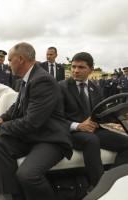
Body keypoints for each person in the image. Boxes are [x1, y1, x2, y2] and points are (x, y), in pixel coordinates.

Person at [0, 42, 73, 200]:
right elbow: (17, 105)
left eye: (10, 59)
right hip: (34, 135)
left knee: (27, 175)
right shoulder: (27, 79)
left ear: (20, 59)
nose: (8, 63)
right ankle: (15, 196)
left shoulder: (42, 80)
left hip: (50, 138)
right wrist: (3, 117)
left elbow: (32, 122)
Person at [59, 52, 128, 189]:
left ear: (91, 69)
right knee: (92, 140)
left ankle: (114, 180)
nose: (76, 70)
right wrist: (78, 126)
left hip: (93, 130)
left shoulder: (95, 87)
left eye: (81, 67)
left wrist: (116, 119)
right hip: (71, 131)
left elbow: (99, 112)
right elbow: (55, 118)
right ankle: (99, 187)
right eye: (73, 66)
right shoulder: (61, 87)